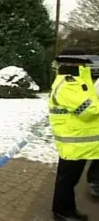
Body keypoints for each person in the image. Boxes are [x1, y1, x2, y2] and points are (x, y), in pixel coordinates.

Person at [49, 47, 99, 221]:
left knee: (70, 180)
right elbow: (88, 110)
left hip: (80, 142)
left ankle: (68, 209)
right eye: (82, 63)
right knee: (67, 181)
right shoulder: (68, 84)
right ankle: (62, 212)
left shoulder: (79, 82)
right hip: (72, 142)